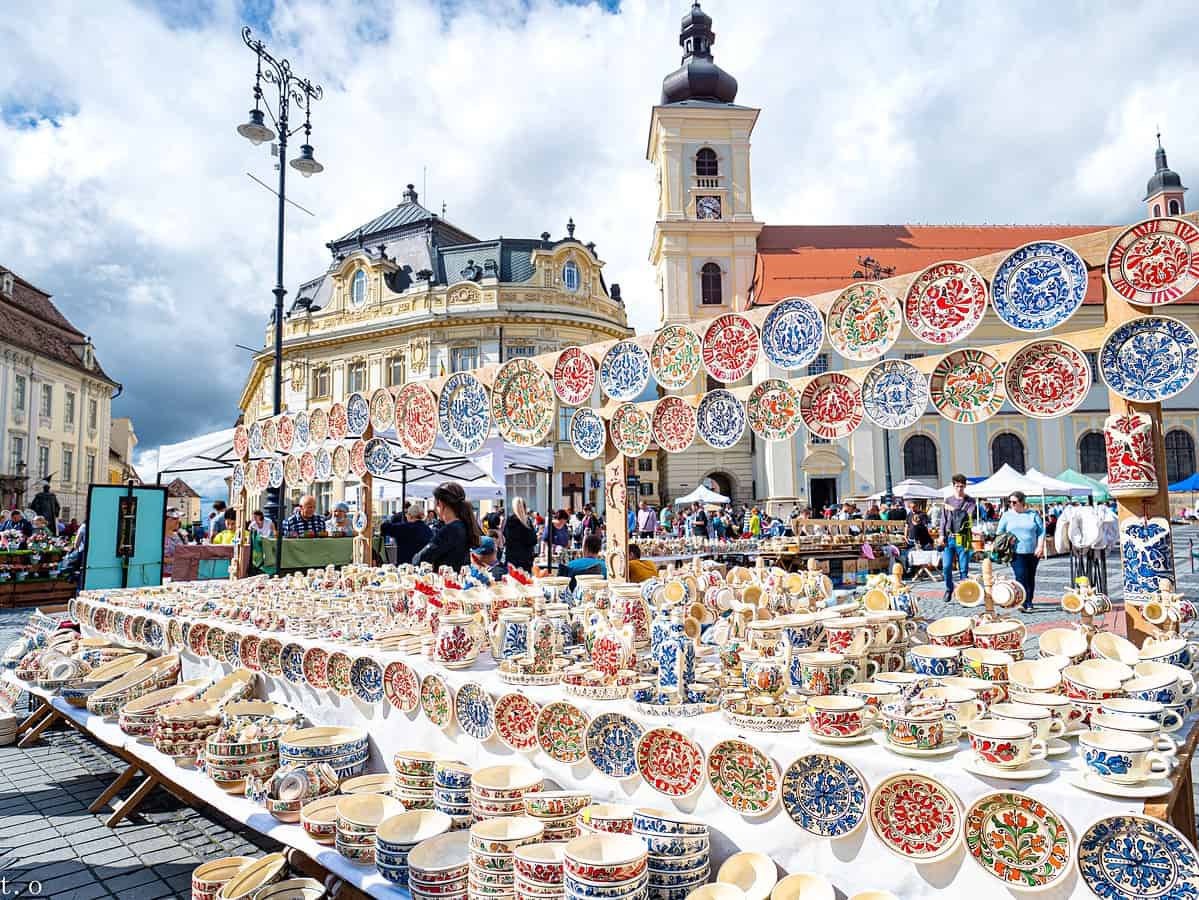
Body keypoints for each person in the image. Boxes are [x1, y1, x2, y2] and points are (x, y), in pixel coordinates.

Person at [414, 482, 482, 570]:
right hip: (459, 579)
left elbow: (419, 560)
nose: (434, 508)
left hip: (447, 580)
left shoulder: (450, 530)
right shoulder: (463, 525)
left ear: (440, 503)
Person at [997, 491, 1045, 612]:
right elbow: (999, 532)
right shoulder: (1007, 515)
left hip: (1033, 552)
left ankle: (1029, 601)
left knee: (1030, 576)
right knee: (1021, 575)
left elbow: (1041, 532)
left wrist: (1040, 547)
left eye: (1014, 502)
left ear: (1022, 502)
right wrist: (1007, 538)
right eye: (1010, 502)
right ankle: (1022, 601)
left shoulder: (1033, 515)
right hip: (1015, 552)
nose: (1012, 504)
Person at [939, 474, 977, 601]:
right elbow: (943, 520)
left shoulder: (970, 501)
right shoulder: (947, 500)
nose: (959, 489)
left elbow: (967, 516)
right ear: (953, 486)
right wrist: (941, 535)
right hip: (949, 538)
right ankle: (949, 588)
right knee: (946, 566)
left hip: (963, 537)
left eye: (961, 486)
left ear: (965, 486)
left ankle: (963, 593)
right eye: (957, 486)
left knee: (963, 568)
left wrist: (953, 509)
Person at [381, 499, 433, 566]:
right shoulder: (428, 530)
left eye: (407, 514)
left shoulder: (404, 528)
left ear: (410, 515)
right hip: (422, 567)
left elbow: (384, 527)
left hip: (405, 567)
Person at [503, 497, 537, 573]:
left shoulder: (510, 521)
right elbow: (533, 540)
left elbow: (506, 536)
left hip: (513, 558)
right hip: (526, 559)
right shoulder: (527, 522)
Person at [163, 507, 184, 579]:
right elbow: (155, 558)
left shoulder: (179, 535)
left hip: (178, 574)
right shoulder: (157, 538)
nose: (178, 521)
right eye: (175, 518)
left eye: (178, 518)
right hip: (164, 576)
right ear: (165, 520)